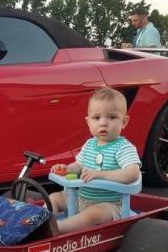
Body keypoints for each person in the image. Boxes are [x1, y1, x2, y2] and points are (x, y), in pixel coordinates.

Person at [49, 87, 141, 234]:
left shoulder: (123, 148)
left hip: (110, 205)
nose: (103, 123)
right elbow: (79, 166)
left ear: (124, 121)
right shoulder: (89, 145)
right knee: (53, 198)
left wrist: (101, 174)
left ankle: (58, 228)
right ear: (88, 122)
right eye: (97, 118)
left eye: (112, 117)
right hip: (81, 199)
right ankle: (41, 222)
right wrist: (67, 169)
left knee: (92, 215)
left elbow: (133, 173)